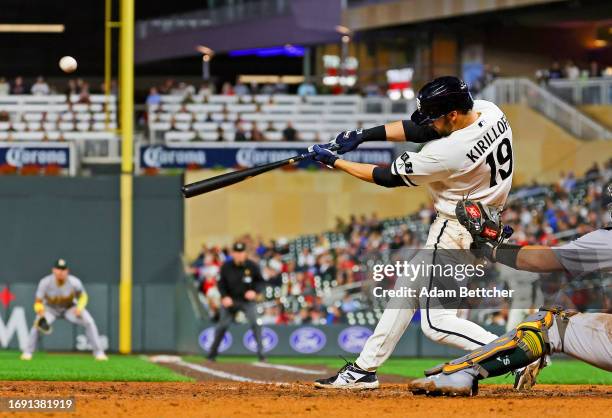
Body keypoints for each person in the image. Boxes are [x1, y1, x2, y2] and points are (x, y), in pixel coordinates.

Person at [312, 76, 515, 389]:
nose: (429, 124)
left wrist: (336, 162)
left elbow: (387, 177)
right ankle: (364, 370)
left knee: (437, 324)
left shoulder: (450, 151)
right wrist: (363, 135)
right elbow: (422, 128)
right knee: (406, 291)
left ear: (452, 115)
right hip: (478, 220)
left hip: (455, 228)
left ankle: (517, 355)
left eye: (436, 117)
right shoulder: (489, 111)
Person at [408, 193, 612, 396]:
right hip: (519, 301)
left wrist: (490, 249)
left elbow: (541, 261)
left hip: (527, 302)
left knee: (549, 324)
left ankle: (462, 372)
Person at [21, 259, 107, 361]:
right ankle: (27, 352)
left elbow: (83, 296)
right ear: (53, 270)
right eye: (58, 269)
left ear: (67, 271)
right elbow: (38, 301)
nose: (61, 272)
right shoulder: (45, 282)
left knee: (89, 322)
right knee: (37, 324)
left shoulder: (74, 282)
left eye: (63, 269)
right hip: (50, 309)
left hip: (69, 308)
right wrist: (40, 310)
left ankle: (99, 352)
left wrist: (80, 307)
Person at [207, 242, 266, 362]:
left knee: (256, 323)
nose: (239, 255)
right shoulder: (226, 266)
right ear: (233, 253)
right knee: (222, 325)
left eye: (241, 252)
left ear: (245, 253)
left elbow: (261, 282)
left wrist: (254, 292)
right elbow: (220, 283)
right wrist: (224, 297)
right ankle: (212, 354)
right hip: (230, 301)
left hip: (247, 301)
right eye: (237, 252)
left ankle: (262, 354)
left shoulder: (252, 266)